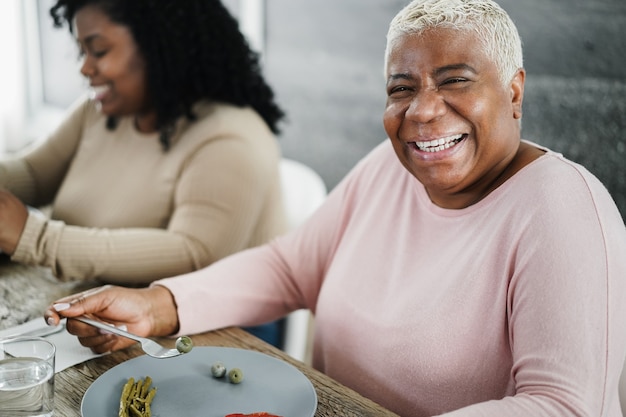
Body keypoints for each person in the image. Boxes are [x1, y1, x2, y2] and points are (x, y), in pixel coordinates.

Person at [45, 0, 626, 415]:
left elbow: (561, 406)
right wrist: (160, 305)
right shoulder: (389, 166)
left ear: (515, 90)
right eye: (402, 87)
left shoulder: (563, 211)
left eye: (454, 81)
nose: (422, 111)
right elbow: (290, 267)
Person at [0, 0, 288, 346]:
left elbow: (193, 252)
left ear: (160, 45)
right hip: (101, 305)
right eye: (82, 52)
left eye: (99, 50)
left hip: (215, 334)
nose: (84, 68)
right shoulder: (103, 110)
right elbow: (33, 174)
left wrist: (37, 238)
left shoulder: (233, 136)